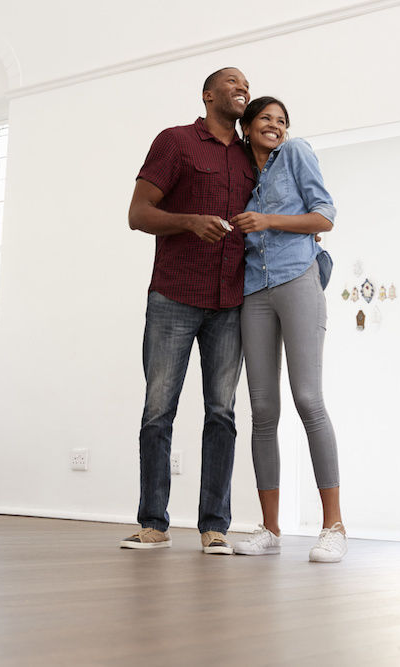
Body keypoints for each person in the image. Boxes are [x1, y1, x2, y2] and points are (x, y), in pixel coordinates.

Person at [121, 68, 254, 554]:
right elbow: (138, 214)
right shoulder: (175, 142)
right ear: (208, 95)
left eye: (248, 83)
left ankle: (214, 526)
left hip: (231, 303)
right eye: (234, 82)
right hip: (174, 297)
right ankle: (153, 524)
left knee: (222, 413)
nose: (244, 87)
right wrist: (188, 223)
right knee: (159, 411)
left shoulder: (252, 156)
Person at [230, 96, 347, 563]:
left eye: (281, 120)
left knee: (308, 400)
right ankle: (270, 528)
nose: (276, 126)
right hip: (253, 288)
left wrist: (269, 220)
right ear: (247, 127)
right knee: (262, 409)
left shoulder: (295, 152)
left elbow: (325, 217)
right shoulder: (239, 173)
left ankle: (334, 526)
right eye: (266, 119)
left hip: (297, 277)